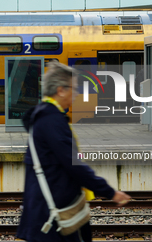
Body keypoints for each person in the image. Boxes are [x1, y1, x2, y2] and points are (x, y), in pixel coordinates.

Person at [17, 61, 130, 242]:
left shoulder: (44, 115)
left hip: (47, 206)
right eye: (74, 88)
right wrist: (110, 192)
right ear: (61, 90)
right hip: (56, 211)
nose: (77, 93)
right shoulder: (51, 120)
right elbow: (73, 164)